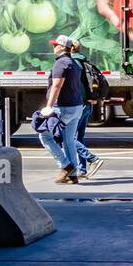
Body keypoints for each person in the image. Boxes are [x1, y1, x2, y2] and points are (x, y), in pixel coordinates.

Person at [38, 35, 86, 184]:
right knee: (69, 140)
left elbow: (56, 86)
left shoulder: (61, 63)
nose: (53, 47)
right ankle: (73, 175)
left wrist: (48, 106)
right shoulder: (73, 63)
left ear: (62, 47)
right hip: (76, 107)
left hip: (63, 108)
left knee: (44, 135)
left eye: (55, 45)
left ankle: (65, 166)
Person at [69, 38, 105, 178]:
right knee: (79, 137)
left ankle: (92, 159)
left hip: (80, 104)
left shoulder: (74, 64)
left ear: (71, 49)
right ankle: (82, 170)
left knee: (68, 137)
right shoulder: (85, 61)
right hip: (88, 105)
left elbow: (78, 87)